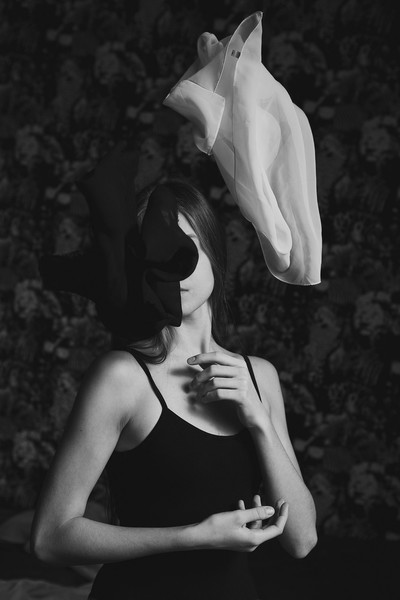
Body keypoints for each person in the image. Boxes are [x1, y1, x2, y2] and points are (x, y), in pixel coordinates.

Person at [30, 164, 317, 599]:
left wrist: (259, 420)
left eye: (184, 249)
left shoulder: (259, 377)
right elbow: (49, 537)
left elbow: (302, 540)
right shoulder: (122, 377)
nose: (173, 271)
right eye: (154, 256)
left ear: (214, 254)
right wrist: (194, 537)